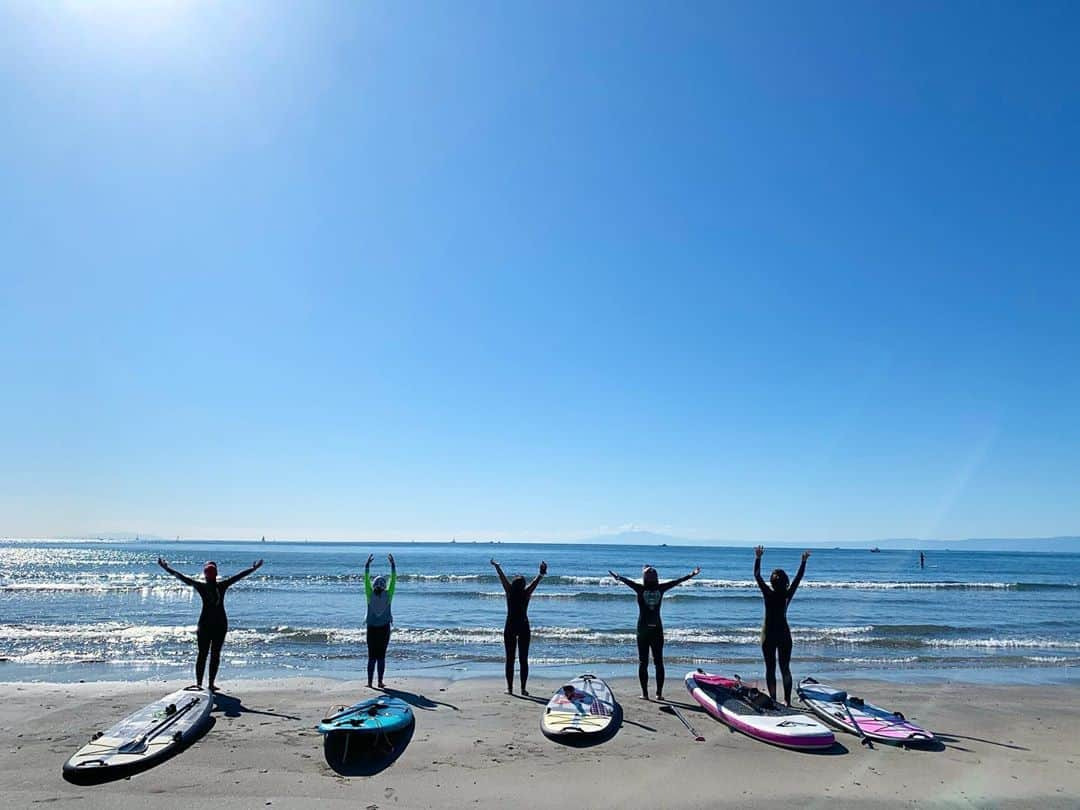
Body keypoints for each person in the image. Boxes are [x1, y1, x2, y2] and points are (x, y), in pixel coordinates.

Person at [157, 556, 263, 692]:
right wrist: (253, 569)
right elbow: (239, 576)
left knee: (202, 654)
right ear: (216, 574)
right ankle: (211, 684)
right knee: (215, 654)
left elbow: (182, 577)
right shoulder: (222, 585)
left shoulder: (201, 586)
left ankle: (199, 684)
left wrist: (166, 568)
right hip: (220, 624)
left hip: (205, 624)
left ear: (205, 575)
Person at [609, 564, 701, 701]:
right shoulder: (655, 588)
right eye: (649, 571)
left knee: (650, 662)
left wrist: (618, 577)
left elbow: (677, 581)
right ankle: (652, 694)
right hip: (652, 629)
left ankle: (652, 694)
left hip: (647, 629)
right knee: (651, 662)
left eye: (650, 571)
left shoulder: (644, 588)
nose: (650, 572)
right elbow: (677, 581)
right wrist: (691, 574)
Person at [753, 546, 809, 706]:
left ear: (772, 582)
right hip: (784, 634)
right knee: (785, 668)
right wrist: (803, 562)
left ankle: (773, 699)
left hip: (768, 635)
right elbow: (799, 577)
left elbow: (756, 576)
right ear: (786, 582)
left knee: (770, 669)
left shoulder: (768, 593)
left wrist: (758, 557)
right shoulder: (786, 595)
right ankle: (787, 701)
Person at [490, 558, 547, 695]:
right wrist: (541, 573)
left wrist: (497, 567)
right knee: (523, 659)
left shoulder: (509, 592)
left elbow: (502, 578)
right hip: (523, 626)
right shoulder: (526, 593)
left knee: (510, 659)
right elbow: (535, 583)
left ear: (513, 583)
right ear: (523, 585)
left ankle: (509, 689)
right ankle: (523, 689)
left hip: (510, 626)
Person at [364, 553, 397, 688]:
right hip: (384, 629)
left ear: (374, 585)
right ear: (384, 585)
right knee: (381, 656)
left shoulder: (369, 594)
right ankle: (380, 682)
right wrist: (393, 565)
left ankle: (370, 683)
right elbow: (393, 580)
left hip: (371, 629)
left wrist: (367, 566)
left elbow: (365, 580)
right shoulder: (388, 595)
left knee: (372, 656)